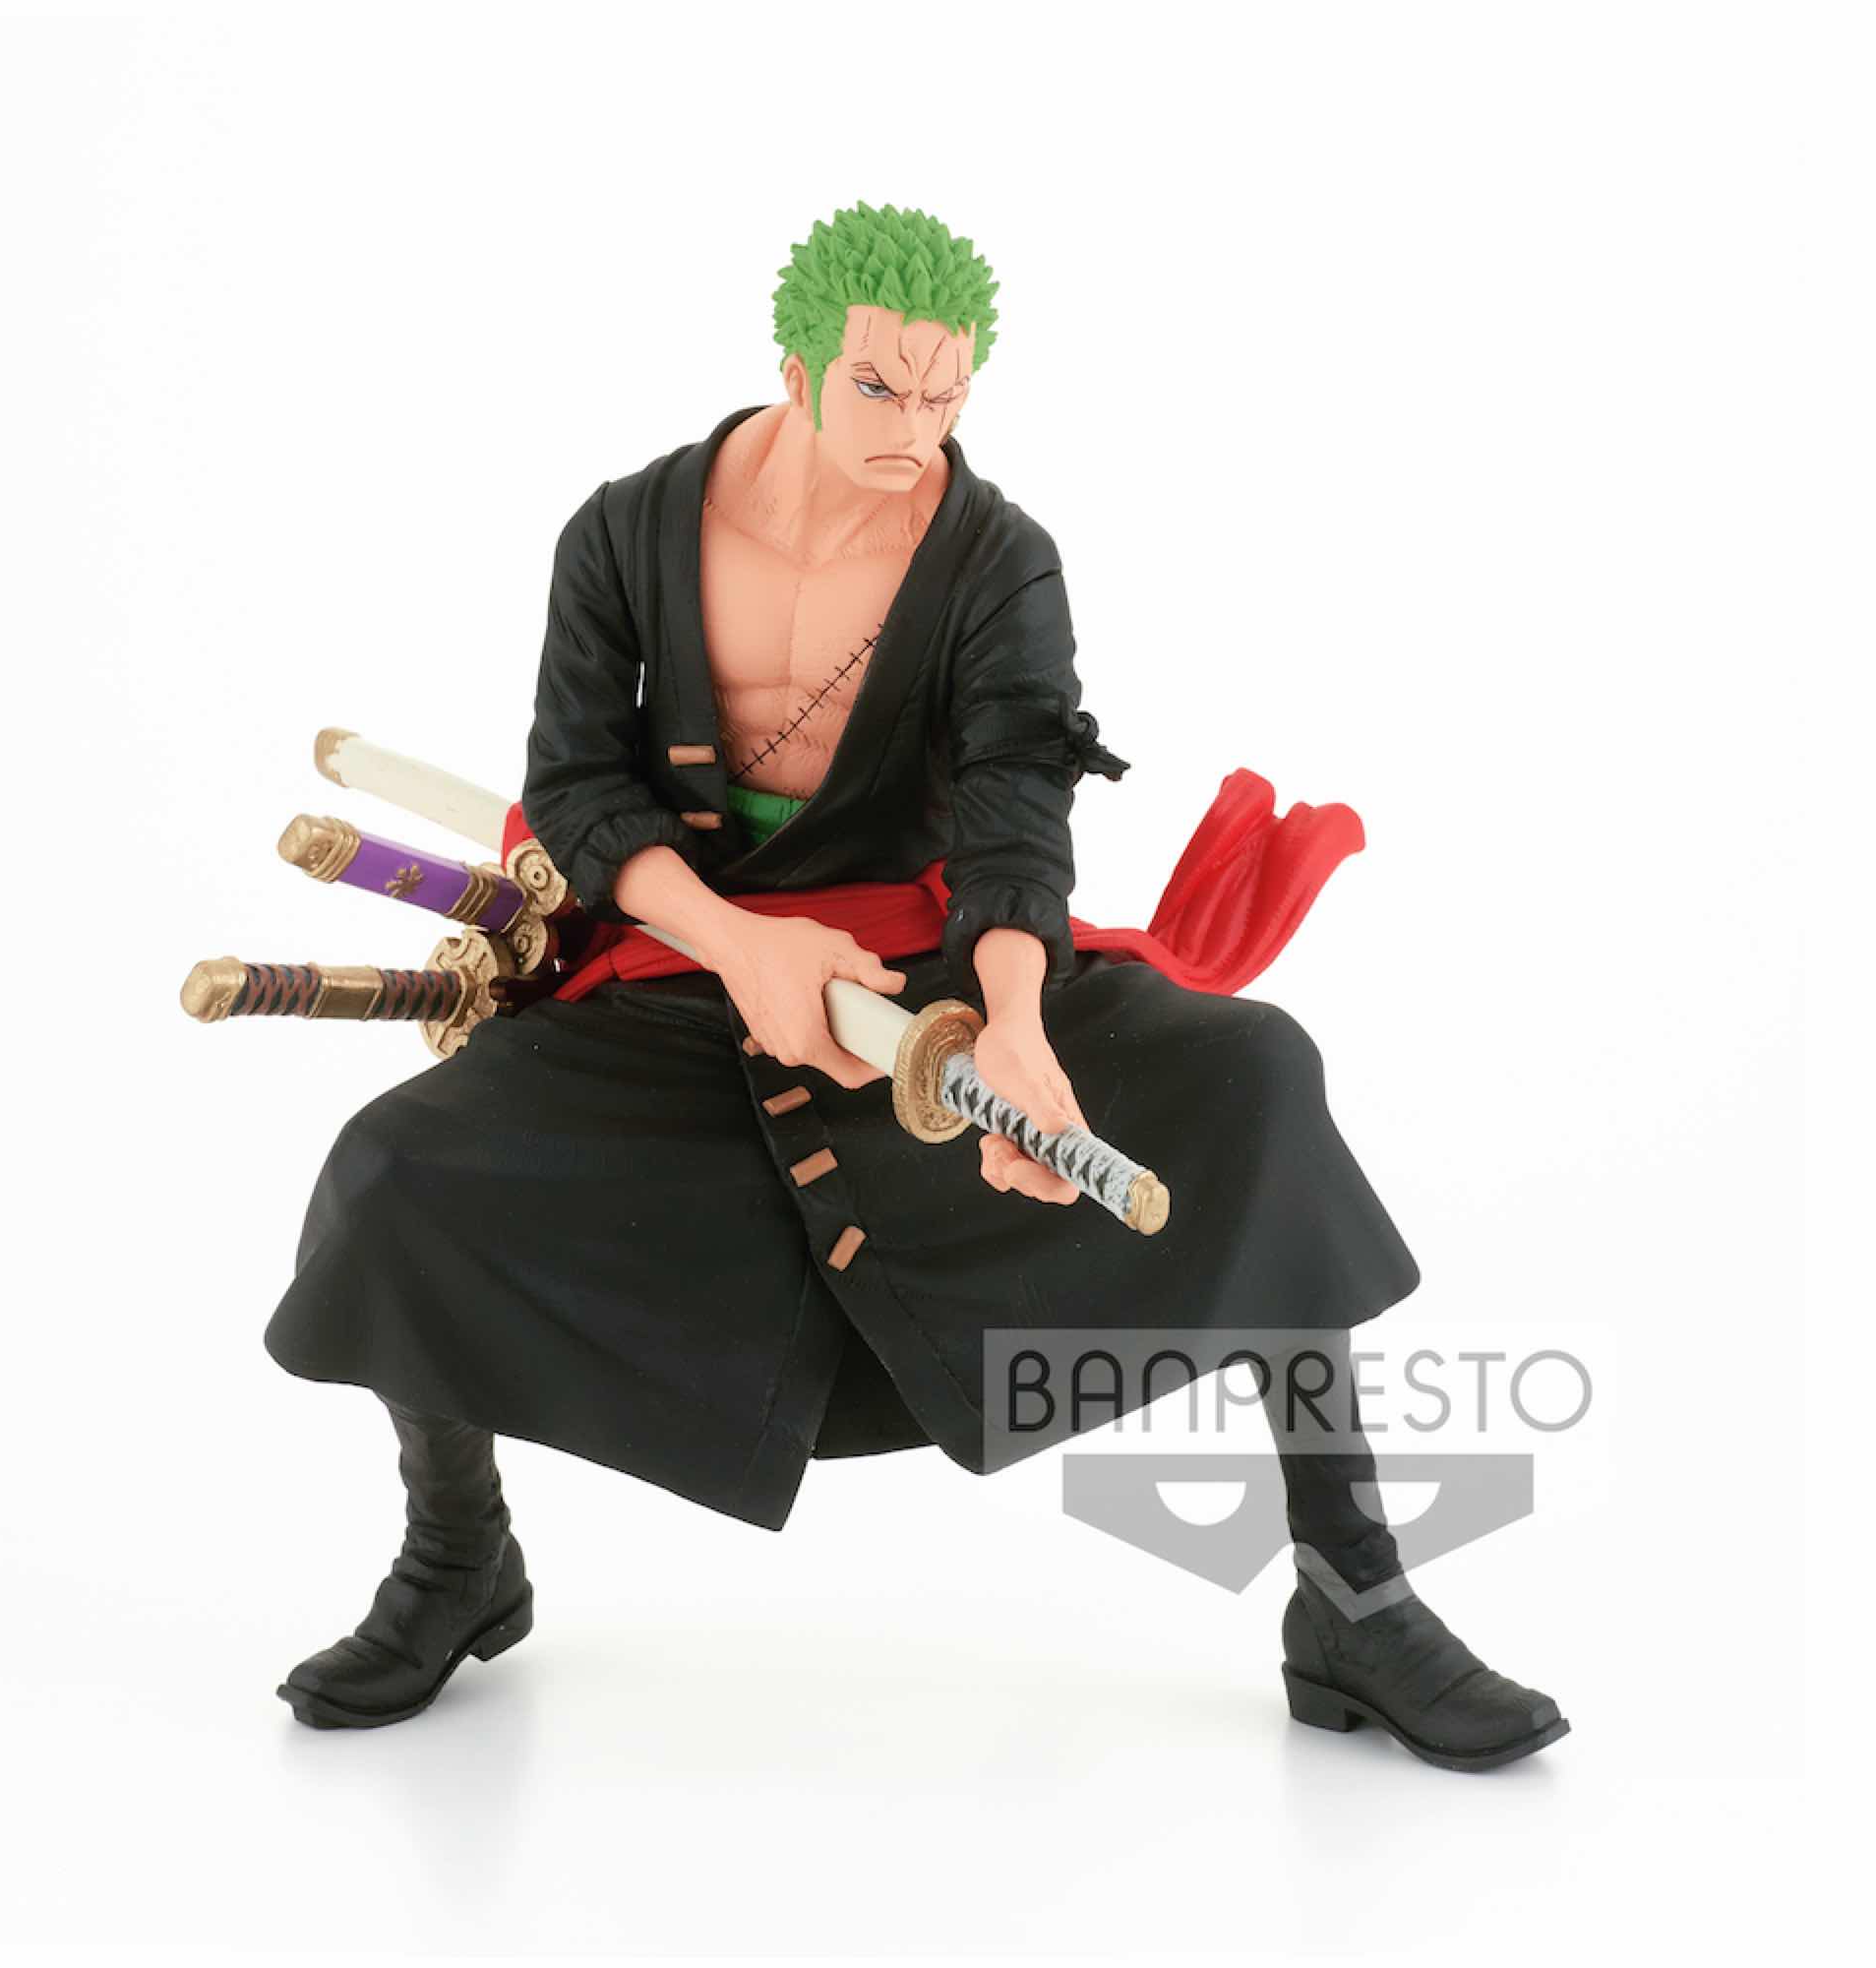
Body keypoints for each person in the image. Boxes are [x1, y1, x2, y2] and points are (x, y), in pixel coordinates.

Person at [264, 203, 1566, 1768]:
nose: (914, 428)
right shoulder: (621, 532)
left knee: (1255, 1076)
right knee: (397, 1169)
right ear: (797, 368)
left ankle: (1356, 1596)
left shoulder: (1000, 556)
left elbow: (1018, 813)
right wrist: (743, 944)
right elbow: (581, 797)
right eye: (879, 387)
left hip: (934, 976)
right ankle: (458, 1557)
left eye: (947, 393)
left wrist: (1014, 1026)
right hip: (680, 968)